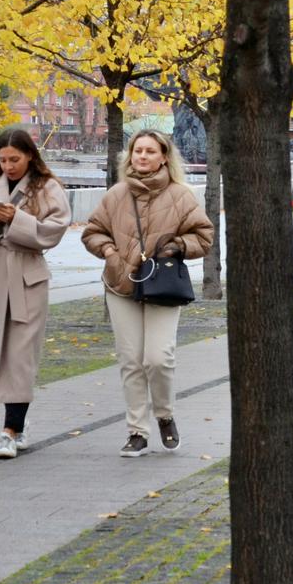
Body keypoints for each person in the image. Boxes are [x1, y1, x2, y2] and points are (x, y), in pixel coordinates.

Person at [81, 130, 214, 457]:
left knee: (157, 358)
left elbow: (204, 237)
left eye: (149, 151)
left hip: (161, 284)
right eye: (137, 150)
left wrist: (177, 245)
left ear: (163, 157)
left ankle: (165, 415)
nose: (142, 156)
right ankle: (137, 432)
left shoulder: (180, 196)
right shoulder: (116, 195)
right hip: (121, 284)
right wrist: (110, 252)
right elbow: (92, 232)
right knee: (131, 361)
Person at [0, 128, 71, 459]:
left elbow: (55, 230)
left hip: (28, 278)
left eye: (15, 159)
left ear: (30, 157)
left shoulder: (47, 188)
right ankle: (18, 424)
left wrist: (18, 219)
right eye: (3, 160)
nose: (9, 166)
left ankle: (9, 430)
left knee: (21, 354)